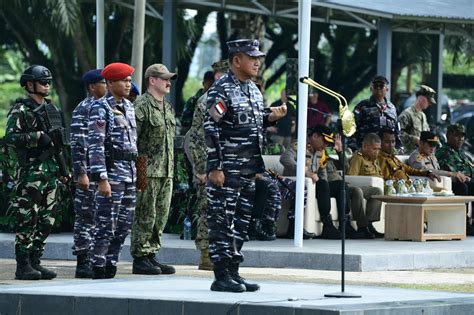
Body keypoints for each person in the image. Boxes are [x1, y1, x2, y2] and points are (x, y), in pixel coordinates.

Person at [204, 39, 287, 292]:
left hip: (249, 168)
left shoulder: (252, 89)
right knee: (222, 221)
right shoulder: (222, 89)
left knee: (241, 221)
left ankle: (234, 272)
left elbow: (253, 121)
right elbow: (210, 127)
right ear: (236, 60)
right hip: (227, 169)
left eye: (258, 57)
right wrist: (215, 167)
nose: (257, 61)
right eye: (251, 57)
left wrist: (270, 116)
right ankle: (220, 276)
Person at [5, 65, 68, 280]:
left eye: (49, 82)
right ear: (30, 84)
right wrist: (37, 136)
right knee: (27, 219)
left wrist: (63, 170)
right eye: (43, 82)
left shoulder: (52, 109)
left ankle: (35, 261)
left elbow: (59, 142)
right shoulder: (21, 110)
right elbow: (10, 139)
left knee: (46, 220)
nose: (47, 85)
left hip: (50, 172)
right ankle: (23, 265)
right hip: (31, 173)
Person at [88, 62, 138, 279]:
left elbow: (135, 145)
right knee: (107, 223)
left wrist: (139, 177)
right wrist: (101, 178)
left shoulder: (129, 106)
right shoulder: (102, 108)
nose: (128, 84)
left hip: (130, 173)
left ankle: (111, 262)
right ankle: (98, 264)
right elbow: (96, 145)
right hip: (112, 174)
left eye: (129, 80)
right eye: (124, 80)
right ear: (109, 83)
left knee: (124, 225)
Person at [130, 63, 177, 275]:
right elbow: (132, 141)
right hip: (145, 169)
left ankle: (151, 254)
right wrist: (138, 174)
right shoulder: (141, 105)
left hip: (166, 170)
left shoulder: (167, 107)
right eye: (164, 78)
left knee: (161, 216)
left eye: (169, 79)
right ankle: (140, 257)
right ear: (152, 80)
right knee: (145, 214)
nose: (168, 83)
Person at [185, 60, 228, 271]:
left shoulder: (229, 98)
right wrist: (202, 169)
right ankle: (206, 254)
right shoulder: (208, 101)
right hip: (210, 167)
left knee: (223, 212)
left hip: (226, 166)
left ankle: (221, 252)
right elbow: (197, 138)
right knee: (207, 209)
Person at [70, 69, 107, 278]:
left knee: (99, 217)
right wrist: (81, 172)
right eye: (103, 83)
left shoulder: (104, 107)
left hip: (100, 172)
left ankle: (95, 258)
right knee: (86, 217)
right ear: (92, 87)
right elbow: (78, 143)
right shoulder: (83, 109)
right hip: (88, 174)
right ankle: (82, 261)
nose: (107, 86)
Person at [435, 124, 474, 235]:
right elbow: (454, 171)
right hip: (451, 183)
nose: (460, 139)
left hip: (466, 180)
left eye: (462, 136)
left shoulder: (460, 152)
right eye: (457, 135)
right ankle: (463, 223)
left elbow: (468, 167)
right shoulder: (444, 152)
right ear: (448, 136)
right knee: (464, 187)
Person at [346, 133, 384, 238]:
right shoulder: (358, 158)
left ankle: (369, 224)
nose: (377, 152)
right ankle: (362, 227)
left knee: (377, 192)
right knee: (359, 191)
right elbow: (350, 178)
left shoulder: (374, 160)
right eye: (374, 149)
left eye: (378, 149)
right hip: (357, 187)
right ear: (365, 146)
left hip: (370, 188)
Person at [350, 76, 401, 151]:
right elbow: (352, 128)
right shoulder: (362, 106)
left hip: (386, 151)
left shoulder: (392, 108)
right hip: (367, 150)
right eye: (375, 86)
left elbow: (397, 130)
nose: (378, 88)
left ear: (387, 89)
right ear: (371, 89)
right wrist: (353, 147)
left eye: (381, 86)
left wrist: (399, 147)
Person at [399, 85, 436, 153]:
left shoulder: (423, 116)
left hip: (421, 154)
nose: (430, 104)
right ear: (421, 99)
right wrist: (415, 139)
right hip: (409, 154)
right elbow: (399, 134)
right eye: (428, 101)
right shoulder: (407, 114)